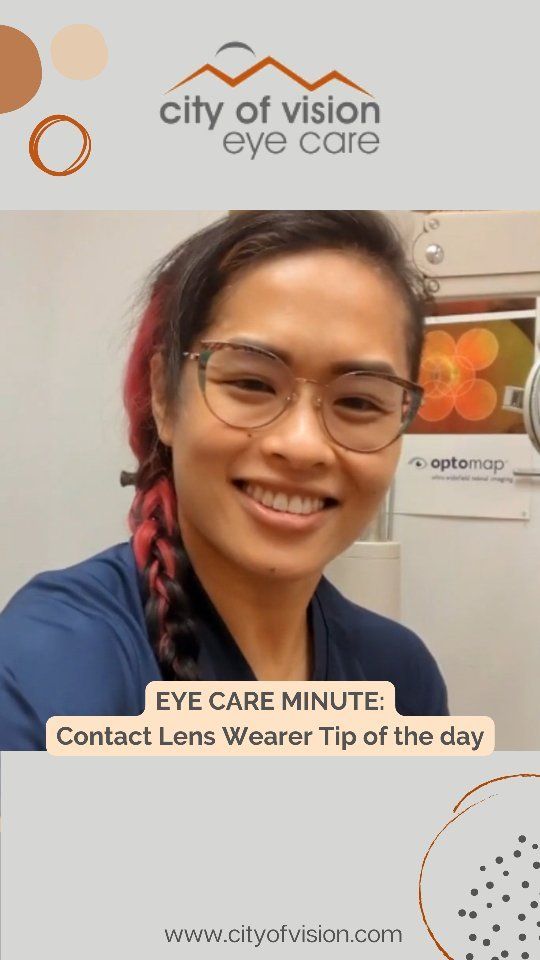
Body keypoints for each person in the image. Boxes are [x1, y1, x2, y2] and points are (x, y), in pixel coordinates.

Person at [0, 210, 448, 750]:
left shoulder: (400, 678)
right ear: (164, 398)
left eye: (358, 401)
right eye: (252, 383)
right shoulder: (50, 664)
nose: (302, 445)